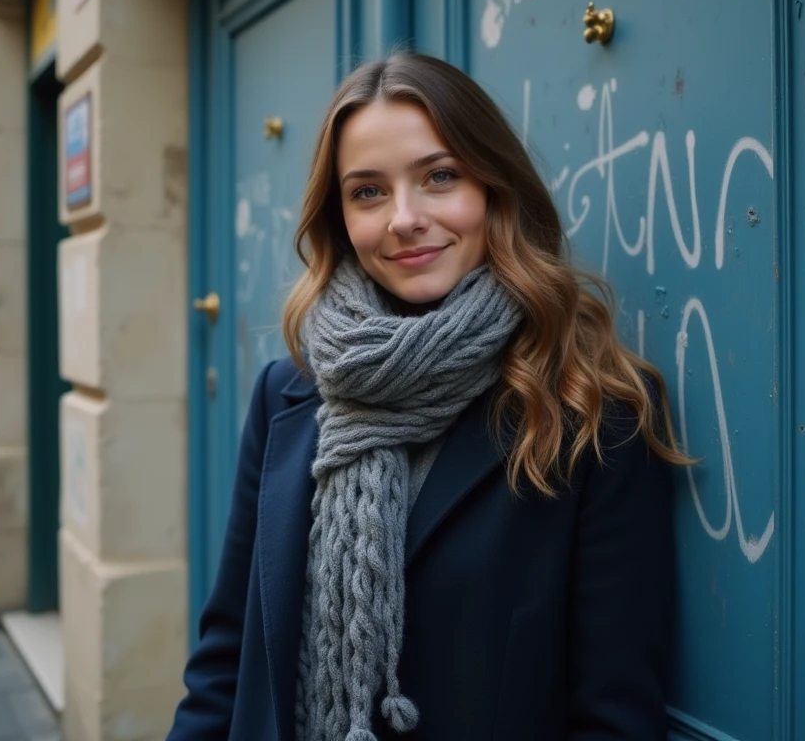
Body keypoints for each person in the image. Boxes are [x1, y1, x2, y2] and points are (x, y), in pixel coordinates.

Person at [169, 52, 687, 740]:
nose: (403, 219)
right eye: (368, 192)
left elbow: (614, 715)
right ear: (340, 218)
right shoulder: (289, 394)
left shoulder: (592, 410)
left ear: (494, 188)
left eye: (439, 177)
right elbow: (227, 658)